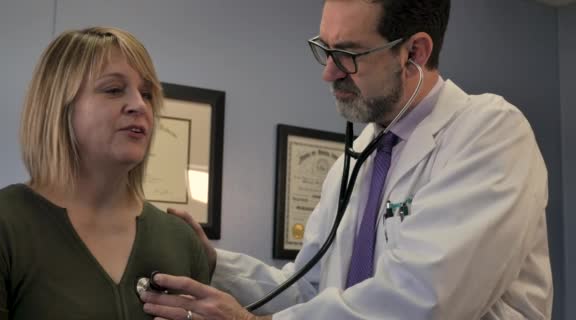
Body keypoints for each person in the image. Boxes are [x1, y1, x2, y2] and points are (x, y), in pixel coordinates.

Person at [140, 0, 554, 319]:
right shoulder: (355, 161)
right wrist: (214, 263)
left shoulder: (489, 133)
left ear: (415, 52)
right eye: (326, 49)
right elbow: (312, 290)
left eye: (349, 54)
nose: (329, 73)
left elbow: (423, 302)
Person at [0, 26, 210, 319]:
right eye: (113, 90)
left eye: (146, 94)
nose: (139, 106)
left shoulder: (181, 241)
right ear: (59, 106)